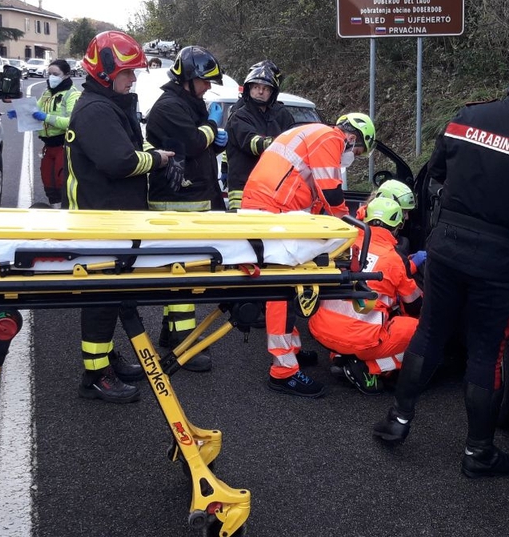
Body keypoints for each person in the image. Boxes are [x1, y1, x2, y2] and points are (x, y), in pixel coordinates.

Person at [372, 44, 509, 478]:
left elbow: (434, 172)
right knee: (485, 351)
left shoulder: (467, 117)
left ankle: (396, 422)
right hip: (499, 262)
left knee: (430, 332)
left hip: (446, 247)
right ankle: (478, 453)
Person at [65, 31, 180, 403]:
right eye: (128, 73)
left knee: (112, 297)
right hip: (102, 222)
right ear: (106, 71)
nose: (133, 80)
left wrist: (154, 152)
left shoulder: (113, 104)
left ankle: (105, 360)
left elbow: (135, 143)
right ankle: (95, 375)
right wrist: (158, 161)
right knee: (100, 300)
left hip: (116, 219)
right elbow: (120, 161)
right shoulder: (96, 110)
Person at [242, 111, 376, 397]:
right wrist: (345, 227)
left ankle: (290, 351)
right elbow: (331, 192)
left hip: (267, 207)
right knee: (280, 289)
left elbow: (311, 193)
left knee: (287, 287)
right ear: (352, 138)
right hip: (273, 213)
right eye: (359, 151)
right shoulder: (331, 138)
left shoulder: (309, 134)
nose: (352, 157)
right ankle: (283, 371)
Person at [145, 45, 227, 373]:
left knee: (182, 270)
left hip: (190, 200)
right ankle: (184, 346)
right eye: (204, 82)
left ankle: (170, 331)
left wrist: (209, 132)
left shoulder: (188, 102)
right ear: (187, 79)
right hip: (177, 204)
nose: (208, 87)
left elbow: (198, 144)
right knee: (183, 272)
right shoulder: (169, 107)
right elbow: (193, 143)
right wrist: (210, 130)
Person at [309, 196, 422, 395]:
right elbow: (415, 305)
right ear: (397, 227)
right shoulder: (393, 259)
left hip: (321, 330)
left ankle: (339, 356)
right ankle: (369, 367)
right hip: (360, 340)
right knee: (419, 329)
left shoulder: (345, 243)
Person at [224, 60, 295, 211]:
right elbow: (253, 143)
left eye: (265, 89)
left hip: (273, 188)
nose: (260, 92)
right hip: (243, 188)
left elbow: (296, 138)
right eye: (256, 87)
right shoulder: (239, 116)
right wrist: (280, 143)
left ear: (272, 92)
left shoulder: (282, 115)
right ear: (248, 89)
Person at [33, 59, 80, 206]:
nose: (51, 77)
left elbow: (71, 121)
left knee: (62, 181)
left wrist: (46, 117)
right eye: (49, 74)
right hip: (48, 145)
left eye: (55, 74)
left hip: (64, 145)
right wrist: (21, 112)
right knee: (48, 180)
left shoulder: (72, 94)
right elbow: (35, 108)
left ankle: (66, 210)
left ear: (66, 74)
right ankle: (54, 208)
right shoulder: (47, 93)